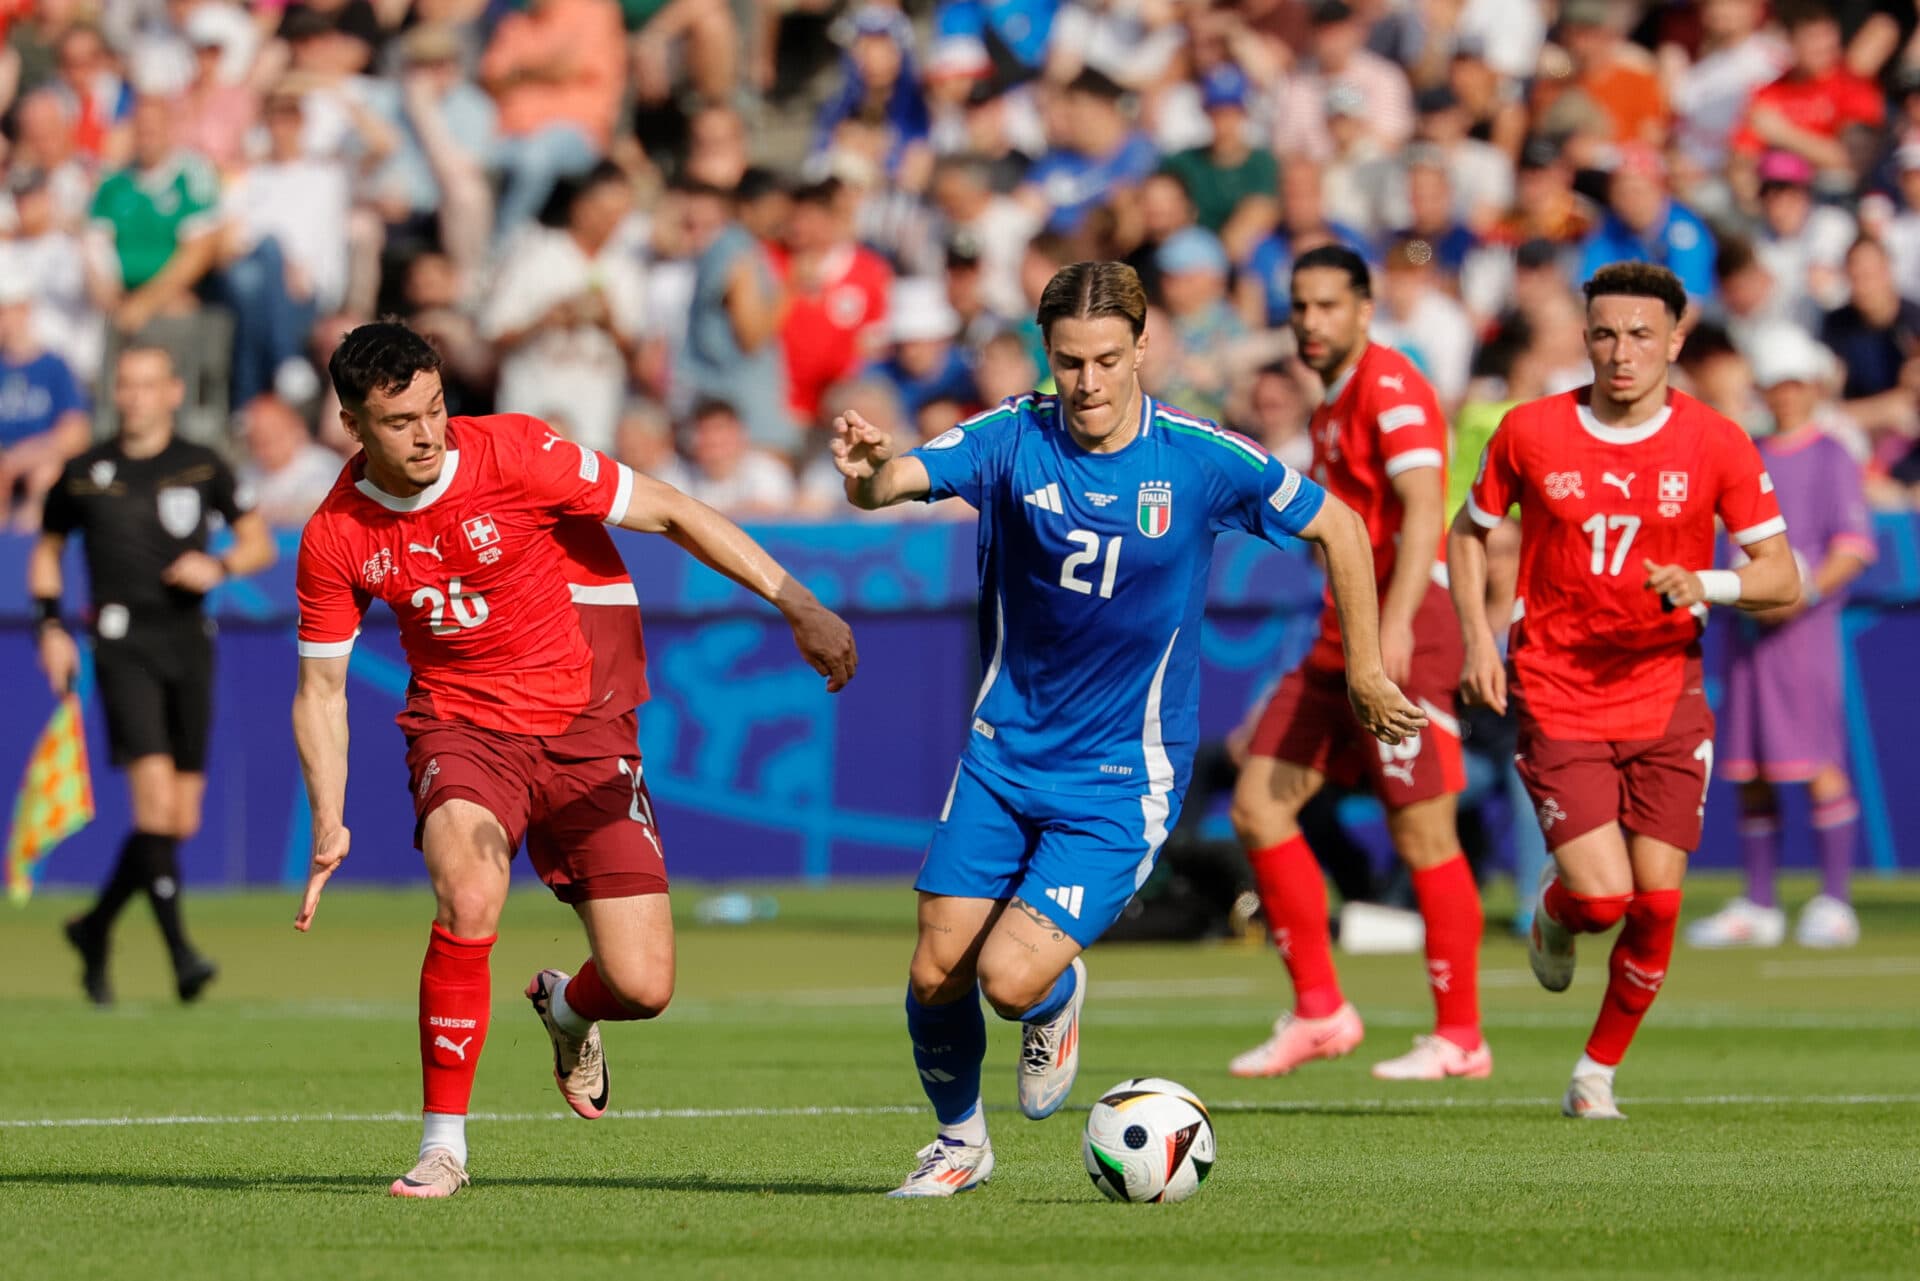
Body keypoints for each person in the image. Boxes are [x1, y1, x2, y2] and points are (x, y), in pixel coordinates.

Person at [830, 260, 1423, 1197]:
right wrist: (869, 476)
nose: (1088, 382)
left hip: (1121, 776)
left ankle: (1055, 995)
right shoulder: (1011, 435)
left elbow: (1342, 527)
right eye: (1069, 361)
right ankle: (958, 1144)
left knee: (1009, 979)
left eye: (1107, 359)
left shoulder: (1199, 457)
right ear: (1048, 354)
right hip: (1001, 755)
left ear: (1142, 348)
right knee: (936, 968)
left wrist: (1365, 669)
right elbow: (895, 479)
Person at [289, 321, 855, 1198]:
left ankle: (566, 1006)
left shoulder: (515, 451)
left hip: (588, 728)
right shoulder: (335, 533)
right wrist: (329, 818)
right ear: (352, 424)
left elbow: (672, 510)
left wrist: (799, 604)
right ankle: (443, 1146)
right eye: (400, 421)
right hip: (463, 729)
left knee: (643, 985)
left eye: (436, 409)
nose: (428, 433)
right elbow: (321, 690)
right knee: (469, 891)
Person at [1447, 262, 1798, 1120]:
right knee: (1603, 899)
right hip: (1558, 687)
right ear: (1585, 338)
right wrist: (1478, 639)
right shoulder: (1531, 430)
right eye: (1605, 333)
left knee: (1659, 902)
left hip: (1667, 693)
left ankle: (1595, 1073)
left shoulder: (1716, 440)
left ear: (1676, 340)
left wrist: (1707, 584)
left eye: (1642, 334)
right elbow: (1469, 531)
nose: (1621, 352)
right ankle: (1556, 911)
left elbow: (1781, 575)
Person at [1229, 244, 1485, 1083]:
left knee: (1422, 831)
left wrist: (1398, 624)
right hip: (1343, 635)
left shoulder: (1392, 385)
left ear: (1366, 309)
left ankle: (1461, 1035)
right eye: (1300, 306)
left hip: (1407, 631)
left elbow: (1424, 508)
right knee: (1258, 803)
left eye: (1328, 305)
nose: (1310, 321)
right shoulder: (1331, 401)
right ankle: (1320, 1010)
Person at [34, 344, 277, 1005]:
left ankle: (93, 926)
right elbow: (48, 551)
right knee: (155, 807)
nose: (135, 396)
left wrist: (218, 565)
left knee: (180, 820)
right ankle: (182, 957)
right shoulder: (85, 472)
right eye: (126, 384)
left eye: (148, 384)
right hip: (122, 645)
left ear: (174, 392)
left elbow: (258, 542)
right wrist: (51, 627)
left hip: (189, 643)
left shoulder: (201, 464)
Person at [1690, 325, 1876, 949]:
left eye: (1795, 384)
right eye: (1777, 384)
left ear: (1813, 387)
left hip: (1805, 637)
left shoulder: (1832, 455)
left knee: (1819, 763)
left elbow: (1852, 545)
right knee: (1752, 768)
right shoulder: (1748, 451)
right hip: (1749, 635)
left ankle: (1835, 901)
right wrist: (1742, 591)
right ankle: (1760, 904)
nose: (1786, 395)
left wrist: (1804, 592)